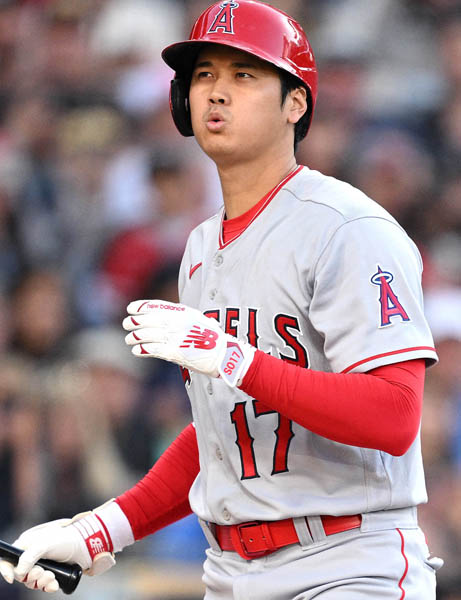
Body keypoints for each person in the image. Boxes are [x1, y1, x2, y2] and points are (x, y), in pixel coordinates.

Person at [0, 1, 444, 598]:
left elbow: (395, 415)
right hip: (231, 571)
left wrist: (236, 359)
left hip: (348, 562)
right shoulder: (199, 249)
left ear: (295, 103)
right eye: (204, 74)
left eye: (244, 74)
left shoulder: (347, 227)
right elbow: (224, 431)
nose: (216, 91)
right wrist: (100, 529)